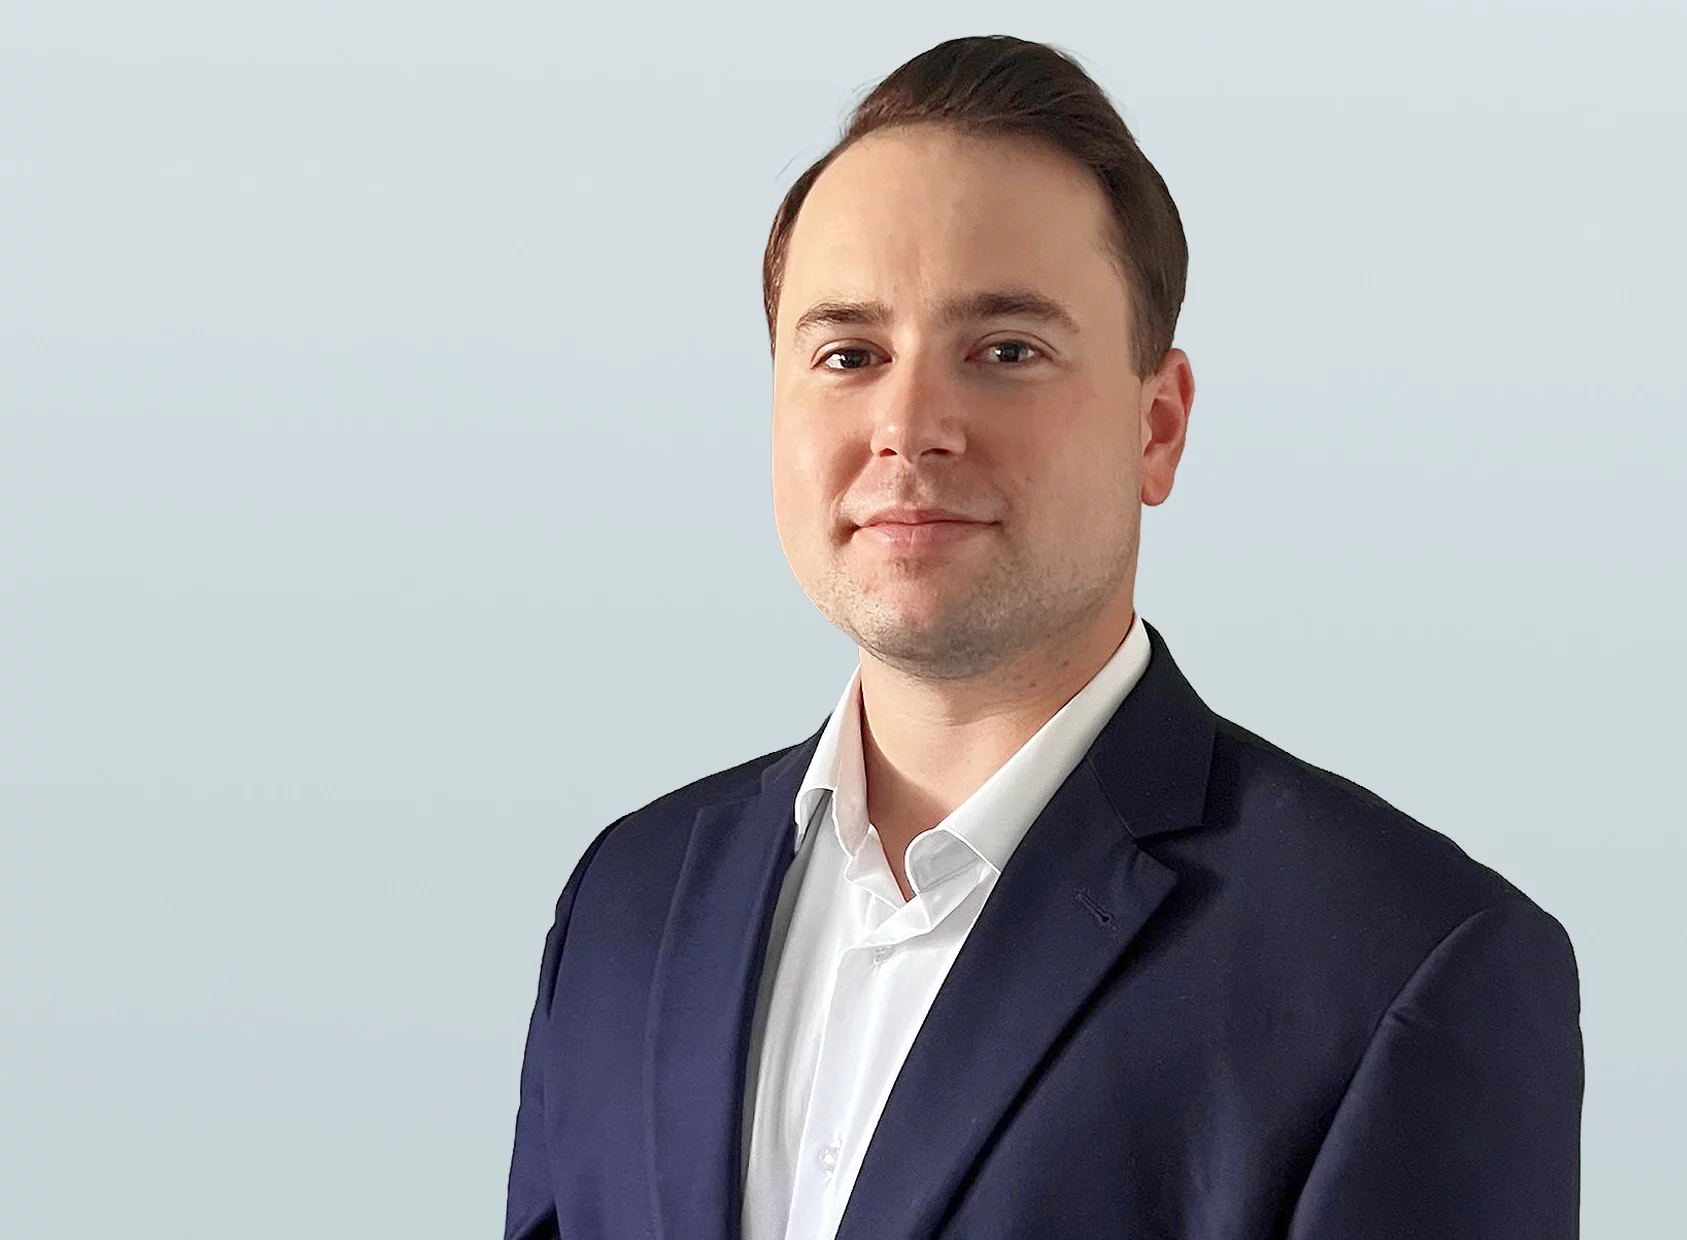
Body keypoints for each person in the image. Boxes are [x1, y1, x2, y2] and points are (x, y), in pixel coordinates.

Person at [503, 34, 1582, 1240]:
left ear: (1158, 427)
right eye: (848, 354)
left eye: (1006, 352)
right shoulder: (626, 907)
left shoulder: (1404, 967)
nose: (909, 424)